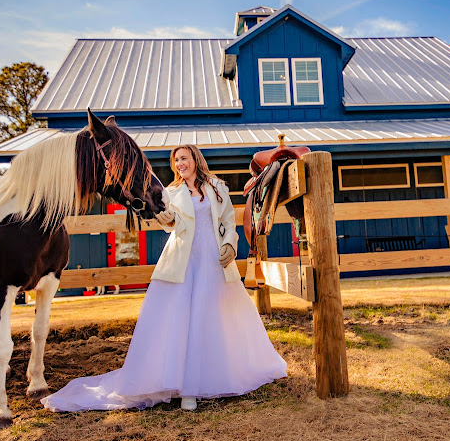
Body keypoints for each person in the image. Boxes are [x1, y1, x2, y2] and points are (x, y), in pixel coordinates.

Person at [42, 144, 287, 412]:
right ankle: (186, 389)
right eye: (176, 160)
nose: (179, 164)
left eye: (184, 158)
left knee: (215, 317)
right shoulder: (171, 192)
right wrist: (167, 220)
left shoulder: (218, 187)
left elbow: (228, 221)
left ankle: (219, 376)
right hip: (183, 261)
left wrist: (230, 243)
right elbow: (170, 225)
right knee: (182, 320)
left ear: (195, 159)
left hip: (213, 260)